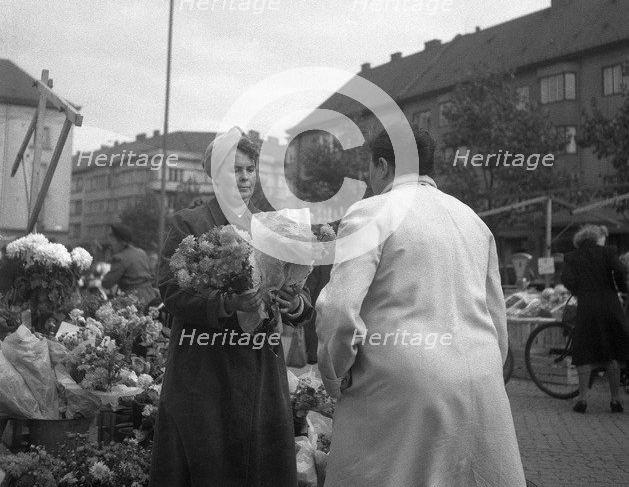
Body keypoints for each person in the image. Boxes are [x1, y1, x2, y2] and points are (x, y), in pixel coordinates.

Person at [316, 126, 526, 487]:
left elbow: (339, 308)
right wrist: (491, 365)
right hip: (480, 378)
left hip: (400, 384)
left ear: (382, 166)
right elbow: (496, 314)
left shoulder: (371, 212)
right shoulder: (472, 220)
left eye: (369, 168)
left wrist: (334, 374)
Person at [149, 129, 313, 487]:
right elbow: (170, 289)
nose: (242, 177)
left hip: (260, 368)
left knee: (259, 462)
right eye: (234, 169)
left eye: (249, 169)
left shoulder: (273, 226)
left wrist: (295, 301)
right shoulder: (189, 223)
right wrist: (228, 304)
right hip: (205, 369)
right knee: (207, 460)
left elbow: (301, 295)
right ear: (214, 174)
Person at [561, 224, 629, 413]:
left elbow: (565, 278)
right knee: (613, 351)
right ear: (597, 238)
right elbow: (620, 269)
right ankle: (615, 400)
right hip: (610, 305)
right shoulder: (608, 252)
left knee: (584, 351)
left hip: (587, 307)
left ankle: (582, 400)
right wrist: (622, 289)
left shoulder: (572, 257)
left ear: (580, 241)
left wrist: (577, 290)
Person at [102, 224, 159, 307]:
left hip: (134, 301)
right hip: (151, 296)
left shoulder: (120, 258)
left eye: (112, 239)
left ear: (121, 241)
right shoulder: (141, 252)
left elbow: (107, 283)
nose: (111, 244)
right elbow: (152, 275)